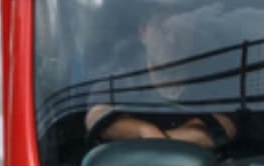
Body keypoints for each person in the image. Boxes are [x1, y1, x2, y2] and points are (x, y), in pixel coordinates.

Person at [85, 12, 237, 150]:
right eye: (163, 29)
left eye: (180, 29)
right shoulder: (120, 81)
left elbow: (226, 126)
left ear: (191, 37)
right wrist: (143, 130)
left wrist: (155, 138)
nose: (172, 39)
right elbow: (95, 117)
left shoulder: (211, 81)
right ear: (143, 33)